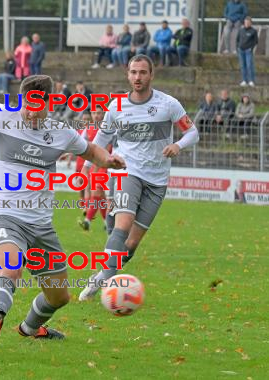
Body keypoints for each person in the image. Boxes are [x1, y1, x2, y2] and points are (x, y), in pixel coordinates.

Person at [0, 75, 125, 342]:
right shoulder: (1, 117)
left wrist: (108, 159)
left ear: (48, 103)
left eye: (38, 106)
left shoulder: (60, 132)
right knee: (10, 267)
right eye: (27, 105)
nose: (31, 112)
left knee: (59, 296)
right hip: (5, 216)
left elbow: (90, 150)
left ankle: (29, 329)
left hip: (41, 226)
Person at [79, 55, 200, 302]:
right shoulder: (116, 106)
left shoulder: (168, 104)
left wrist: (177, 145)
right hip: (127, 171)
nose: (138, 77)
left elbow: (192, 132)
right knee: (123, 226)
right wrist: (88, 164)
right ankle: (106, 287)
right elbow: (102, 138)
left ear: (151, 75)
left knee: (131, 245)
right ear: (127, 74)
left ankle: (103, 272)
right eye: (133, 72)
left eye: (143, 72)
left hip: (157, 180)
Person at [79, 105, 111, 231]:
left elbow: (107, 148)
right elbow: (82, 144)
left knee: (96, 192)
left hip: (105, 164)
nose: (96, 115)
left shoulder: (107, 128)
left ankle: (87, 220)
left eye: (99, 113)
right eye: (94, 113)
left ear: (103, 114)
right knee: (100, 195)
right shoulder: (89, 129)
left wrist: (97, 166)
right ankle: (106, 222)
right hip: (93, 164)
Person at [236, 16, 257, 87]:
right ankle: (244, 80)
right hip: (241, 50)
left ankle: (251, 80)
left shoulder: (253, 31)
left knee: (249, 65)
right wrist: (238, 47)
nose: (247, 24)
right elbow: (237, 39)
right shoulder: (241, 30)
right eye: (246, 22)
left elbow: (255, 41)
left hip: (248, 50)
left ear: (251, 23)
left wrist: (251, 48)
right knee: (242, 66)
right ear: (244, 23)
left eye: (248, 22)